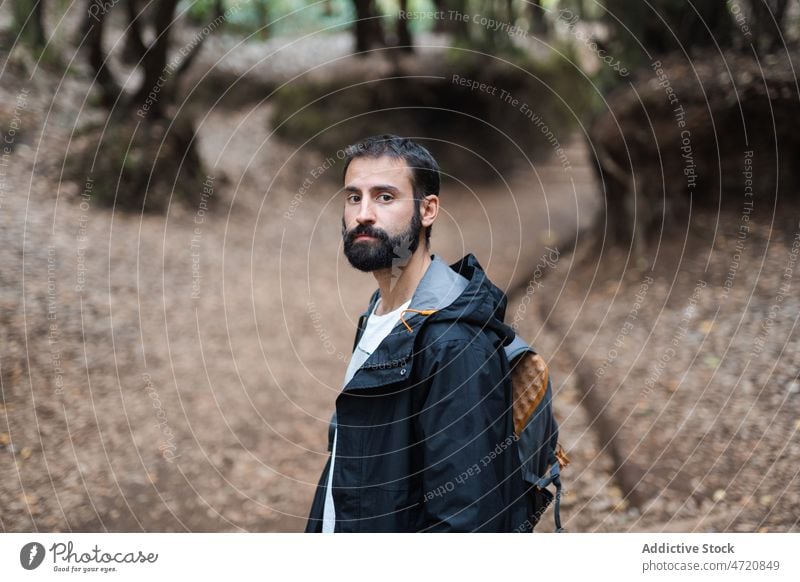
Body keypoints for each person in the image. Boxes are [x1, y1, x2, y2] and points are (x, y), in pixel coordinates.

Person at [305, 134, 537, 532]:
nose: (363, 214)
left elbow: (465, 524)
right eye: (353, 197)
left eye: (385, 197)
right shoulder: (379, 313)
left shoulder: (455, 344)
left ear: (428, 210)